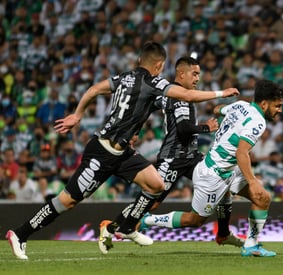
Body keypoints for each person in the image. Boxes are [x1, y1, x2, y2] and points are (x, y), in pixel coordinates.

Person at [6, 41, 239, 260]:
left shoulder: (124, 77)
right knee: (66, 201)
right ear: (159, 65)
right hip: (102, 151)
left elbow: (95, 89)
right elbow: (187, 95)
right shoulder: (153, 82)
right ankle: (20, 233)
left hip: (123, 151)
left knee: (156, 185)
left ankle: (127, 227)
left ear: (140, 60)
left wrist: (78, 115)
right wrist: (222, 93)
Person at [99, 56, 243, 254]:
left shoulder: (172, 94)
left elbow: (150, 104)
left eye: (199, 74)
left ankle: (223, 232)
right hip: (172, 159)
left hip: (191, 156)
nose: (197, 78)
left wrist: (136, 127)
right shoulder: (178, 96)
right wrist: (205, 127)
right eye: (194, 74)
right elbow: (184, 129)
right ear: (181, 74)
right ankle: (111, 226)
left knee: (221, 180)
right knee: (151, 202)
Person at [139, 80, 283, 257]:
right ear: (264, 103)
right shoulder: (258, 122)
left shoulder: (240, 105)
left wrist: (223, 113)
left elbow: (218, 109)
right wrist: (252, 181)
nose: (279, 110)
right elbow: (241, 153)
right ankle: (147, 219)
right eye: (277, 106)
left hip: (226, 169)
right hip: (213, 174)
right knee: (195, 220)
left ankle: (250, 245)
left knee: (262, 198)